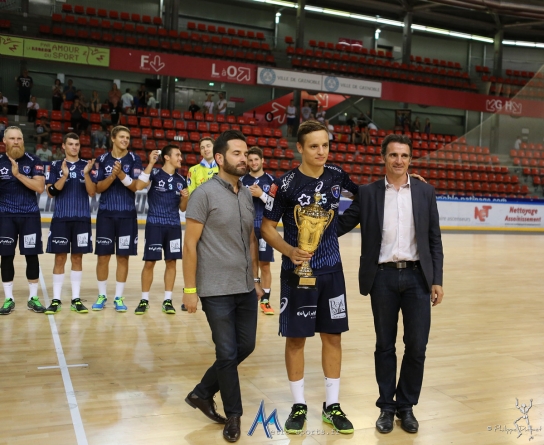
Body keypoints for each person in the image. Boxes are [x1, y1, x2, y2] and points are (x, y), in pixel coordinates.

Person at [337, 134, 444, 434]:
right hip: (382, 277)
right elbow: (342, 224)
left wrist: (437, 279)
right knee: (384, 346)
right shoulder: (369, 193)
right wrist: (309, 221)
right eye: (393, 155)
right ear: (383, 158)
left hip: (417, 278)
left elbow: (434, 239)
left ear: (411, 159)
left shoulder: (425, 192)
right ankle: (386, 405)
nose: (399, 160)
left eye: (405, 156)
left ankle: (406, 405)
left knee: (417, 346)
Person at [261, 120, 359, 435]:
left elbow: (368, 196)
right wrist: (289, 250)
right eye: (314, 146)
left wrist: (339, 226)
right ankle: (299, 404)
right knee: (296, 338)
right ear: (300, 148)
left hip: (332, 271)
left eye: (325, 145)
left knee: (333, 337)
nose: (321, 151)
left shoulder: (338, 176)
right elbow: (266, 227)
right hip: (297, 273)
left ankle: (332, 406)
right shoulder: (285, 183)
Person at [182, 129, 263, 443]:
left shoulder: (245, 193)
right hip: (214, 288)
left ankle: (201, 393)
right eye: (237, 154)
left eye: (245, 154)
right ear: (219, 158)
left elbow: (251, 239)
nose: (244, 159)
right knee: (227, 353)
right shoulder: (203, 194)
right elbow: (190, 245)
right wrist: (190, 291)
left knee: (246, 347)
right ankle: (234, 415)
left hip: (244, 286)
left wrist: (256, 279)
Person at [91, 125, 146, 312]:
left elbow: (136, 187)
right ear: (113, 138)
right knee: (103, 257)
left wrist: (121, 174)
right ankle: (102, 295)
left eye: (128, 137)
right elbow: (98, 187)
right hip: (106, 214)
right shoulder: (102, 159)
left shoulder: (135, 159)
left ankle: (119, 297)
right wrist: (112, 176)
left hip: (127, 216)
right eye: (122, 137)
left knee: (123, 257)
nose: (125, 140)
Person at [43, 133, 97, 314]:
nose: (74, 147)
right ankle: (56, 299)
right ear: (63, 146)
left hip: (82, 219)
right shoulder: (55, 166)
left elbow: (91, 192)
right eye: (71, 144)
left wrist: (87, 174)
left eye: (77, 144)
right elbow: (50, 192)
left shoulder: (86, 166)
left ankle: (75, 299)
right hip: (61, 218)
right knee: (59, 258)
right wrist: (64, 176)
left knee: (77, 258)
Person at [135, 145, 189, 315]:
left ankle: (167, 300)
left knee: (171, 262)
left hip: (173, 226)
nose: (181, 158)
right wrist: (150, 163)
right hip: (155, 224)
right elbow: (139, 185)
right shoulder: (155, 173)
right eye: (177, 155)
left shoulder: (181, 179)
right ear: (166, 157)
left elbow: (182, 208)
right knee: (150, 262)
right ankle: (144, 300)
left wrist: (185, 198)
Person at [0, 126, 46, 315]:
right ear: (5, 141)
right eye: (12, 138)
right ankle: (8, 299)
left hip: (30, 217)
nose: (17, 142)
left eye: (19, 138)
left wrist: (18, 174)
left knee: (31, 256)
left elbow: (40, 187)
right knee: (6, 257)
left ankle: (33, 298)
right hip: (5, 217)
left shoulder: (33, 160)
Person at [241, 147, 275, 314]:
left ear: (262, 161)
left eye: (256, 159)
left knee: (265, 264)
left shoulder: (271, 181)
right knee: (247, 263)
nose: (253, 163)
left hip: (264, 227)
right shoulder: (241, 180)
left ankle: (266, 299)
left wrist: (261, 194)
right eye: (251, 160)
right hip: (245, 227)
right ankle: (249, 295)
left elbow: (276, 206)